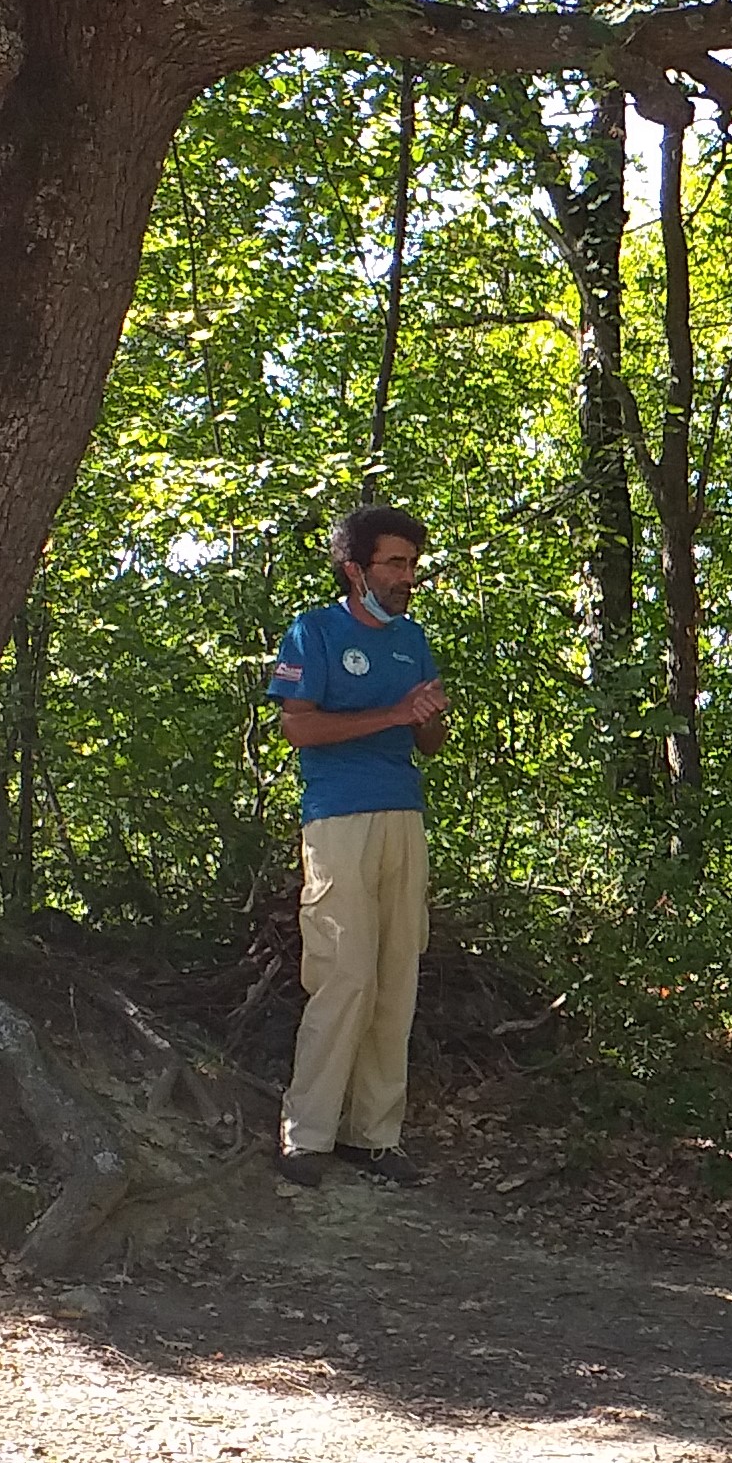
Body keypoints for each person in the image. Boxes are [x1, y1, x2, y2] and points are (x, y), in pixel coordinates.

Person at [268, 505, 450, 1187]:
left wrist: (427, 718)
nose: (407, 576)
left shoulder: (413, 640)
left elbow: (428, 742)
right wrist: (395, 713)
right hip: (338, 817)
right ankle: (305, 1135)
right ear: (356, 568)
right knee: (344, 971)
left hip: (405, 814)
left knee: (397, 972)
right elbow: (299, 728)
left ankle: (373, 1135)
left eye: (411, 564)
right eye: (395, 563)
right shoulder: (313, 631)